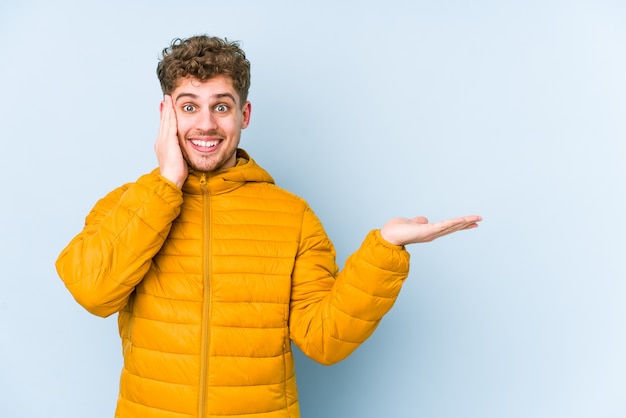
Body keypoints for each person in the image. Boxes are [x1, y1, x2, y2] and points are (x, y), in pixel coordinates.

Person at [56, 35, 481, 418]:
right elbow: (93, 291)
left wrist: (385, 249)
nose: (205, 124)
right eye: (189, 107)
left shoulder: (291, 216)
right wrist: (166, 184)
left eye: (221, 106)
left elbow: (324, 339)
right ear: (166, 113)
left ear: (245, 114)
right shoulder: (127, 205)